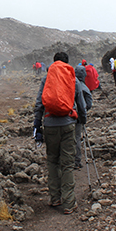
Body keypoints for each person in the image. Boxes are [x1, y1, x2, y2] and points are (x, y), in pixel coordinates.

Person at [33, 52, 87, 215]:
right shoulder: (73, 78)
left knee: (52, 161)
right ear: (67, 62)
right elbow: (81, 104)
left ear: (54, 62)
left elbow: (39, 104)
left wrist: (37, 126)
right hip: (68, 125)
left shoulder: (46, 78)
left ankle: (55, 198)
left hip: (49, 125)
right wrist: (82, 120)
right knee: (67, 163)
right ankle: (69, 203)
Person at [74, 65, 93, 170]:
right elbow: (88, 104)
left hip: (68, 115)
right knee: (77, 138)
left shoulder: (71, 84)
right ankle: (76, 161)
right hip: (78, 117)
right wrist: (83, 115)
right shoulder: (84, 87)